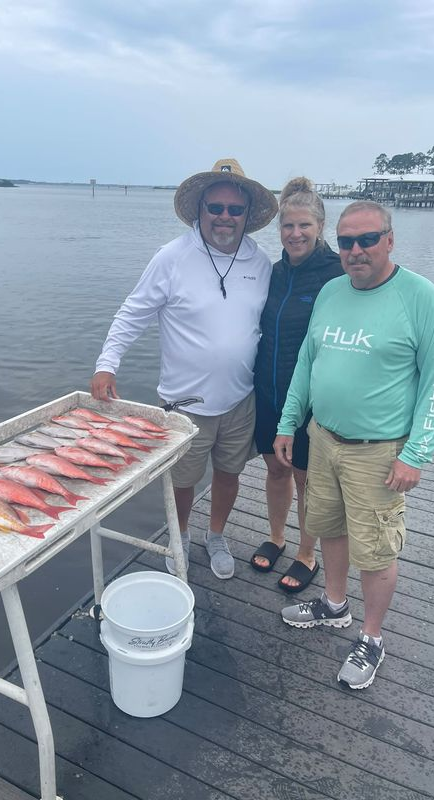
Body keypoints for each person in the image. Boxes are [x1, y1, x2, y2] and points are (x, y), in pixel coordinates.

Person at [273, 200, 434, 689]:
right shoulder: (331, 291)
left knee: (375, 551)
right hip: (323, 438)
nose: (356, 251)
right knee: (328, 526)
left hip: (379, 450)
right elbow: (307, 364)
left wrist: (416, 453)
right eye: (347, 241)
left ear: (389, 239)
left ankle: (371, 638)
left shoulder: (420, 296)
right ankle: (334, 605)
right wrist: (289, 423)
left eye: (367, 239)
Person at [91, 159, 278, 580]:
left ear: (248, 215)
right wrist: (107, 365)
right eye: (215, 207)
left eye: (235, 209)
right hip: (184, 403)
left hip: (240, 399)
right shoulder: (172, 257)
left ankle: (216, 535)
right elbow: (133, 312)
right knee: (182, 481)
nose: (225, 217)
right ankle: (181, 538)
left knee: (229, 474)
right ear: (200, 210)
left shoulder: (260, 262)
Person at [251, 177, 343, 591]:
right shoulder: (274, 273)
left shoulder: (337, 273)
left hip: (309, 401)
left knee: (306, 478)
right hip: (268, 391)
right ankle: (276, 537)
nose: (296, 234)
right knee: (275, 469)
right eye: (288, 226)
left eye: (304, 225)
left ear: (320, 226)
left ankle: (307, 554)